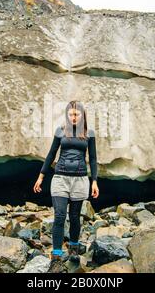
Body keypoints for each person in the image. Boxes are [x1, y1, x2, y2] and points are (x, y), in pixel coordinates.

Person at [33, 100, 99, 273]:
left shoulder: (89, 133)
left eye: (76, 114)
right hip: (60, 178)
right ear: (67, 115)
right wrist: (41, 177)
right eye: (71, 114)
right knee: (60, 216)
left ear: (82, 115)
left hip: (80, 180)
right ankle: (56, 257)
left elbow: (92, 158)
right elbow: (51, 154)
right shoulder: (60, 131)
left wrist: (95, 181)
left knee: (75, 216)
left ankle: (74, 249)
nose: (73, 117)